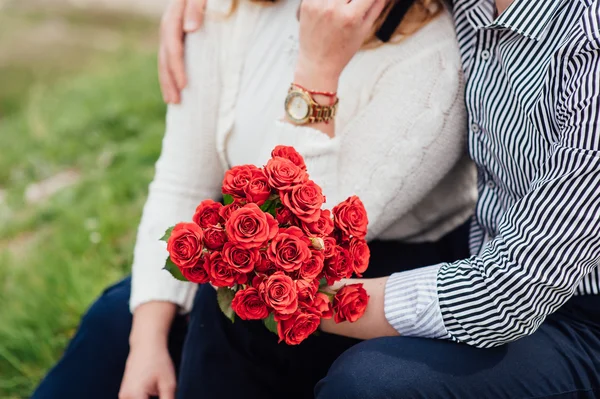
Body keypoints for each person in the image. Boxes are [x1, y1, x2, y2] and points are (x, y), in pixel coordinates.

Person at [32, 0, 477, 398]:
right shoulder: (230, 9)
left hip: (365, 288)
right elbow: (182, 184)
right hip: (253, 249)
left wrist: (317, 72)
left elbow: (306, 248)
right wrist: (145, 344)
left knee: (227, 310)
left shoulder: (432, 56)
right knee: (118, 322)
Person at [159, 0, 600, 398]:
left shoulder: (589, 48)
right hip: (480, 252)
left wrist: (299, 300)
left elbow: (511, 293)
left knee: (370, 384)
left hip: (575, 318)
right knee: (229, 297)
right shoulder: (477, 6)